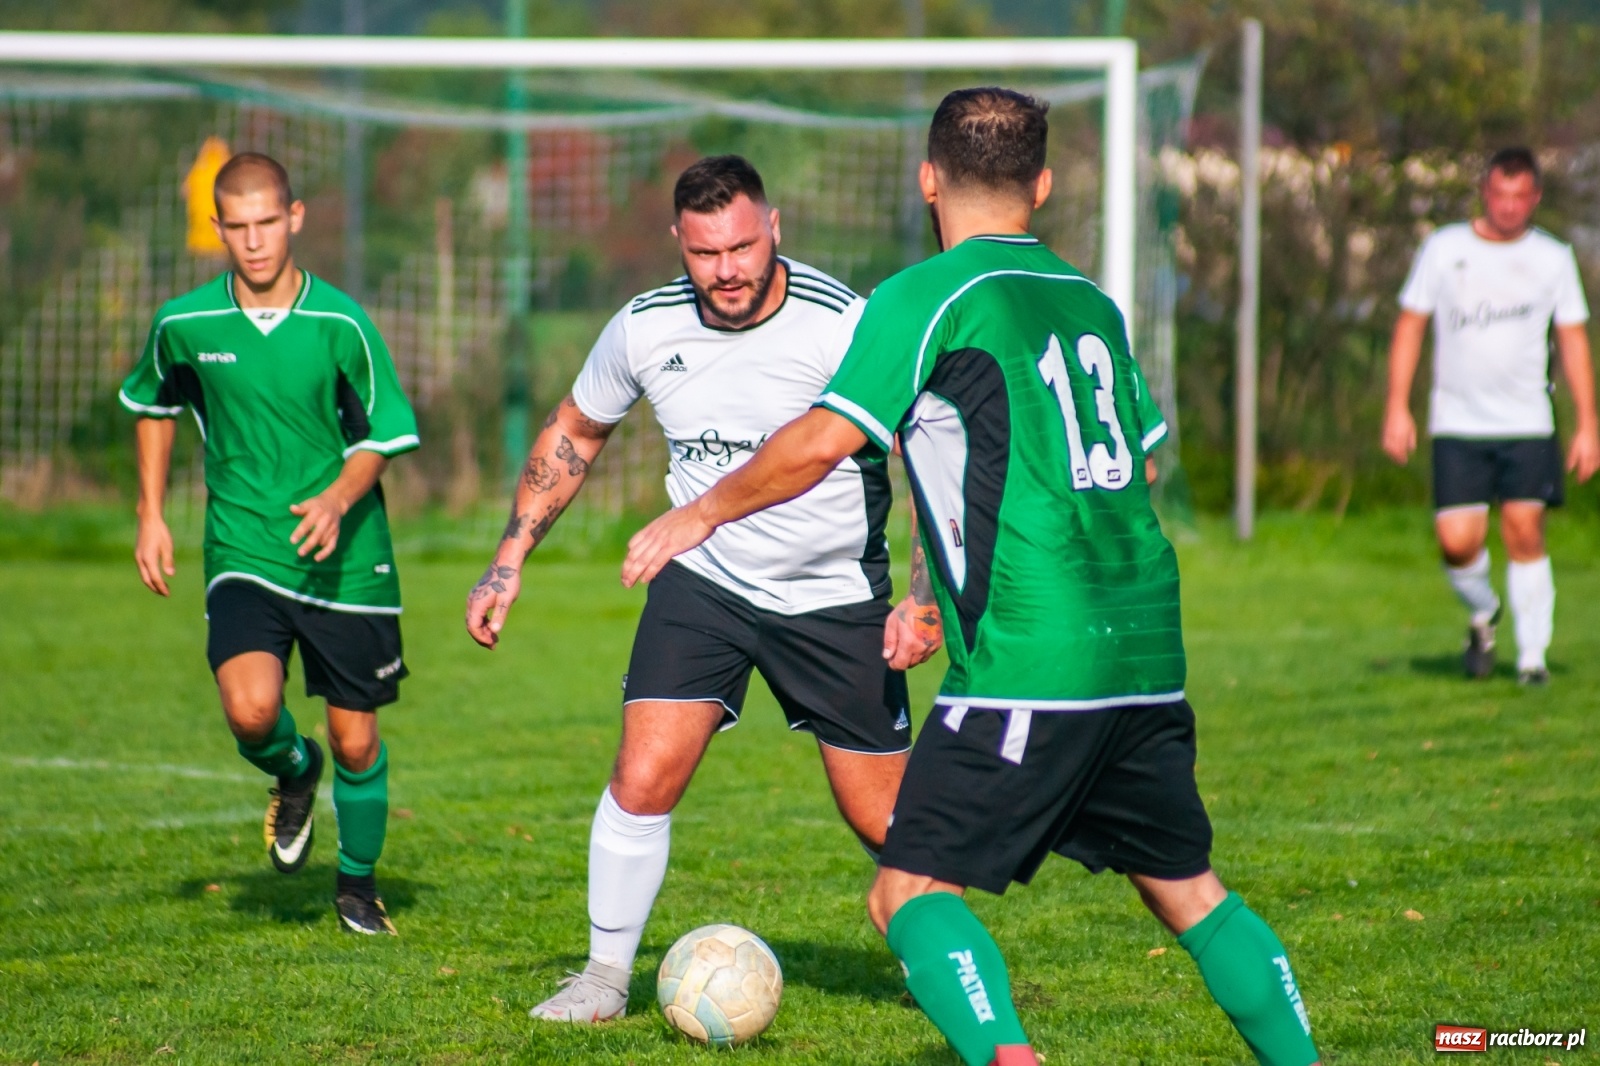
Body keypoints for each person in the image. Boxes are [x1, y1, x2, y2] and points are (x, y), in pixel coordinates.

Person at [622, 90, 1321, 1066]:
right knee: (1189, 891)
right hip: (1147, 649)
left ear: (926, 179)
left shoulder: (929, 294)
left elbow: (823, 442)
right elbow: (1135, 465)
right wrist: (927, 595)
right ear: (1041, 183)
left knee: (904, 893)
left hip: (1031, 657)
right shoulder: (1088, 299)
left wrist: (696, 511)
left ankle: (1008, 1056)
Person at [464, 155, 940, 1023]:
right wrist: (509, 559)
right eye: (705, 253)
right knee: (642, 775)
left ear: (776, 228)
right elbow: (575, 428)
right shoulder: (644, 328)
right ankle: (604, 980)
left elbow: (927, 456)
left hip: (833, 595)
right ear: (678, 244)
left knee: (888, 822)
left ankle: (942, 969)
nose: (728, 270)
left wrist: (923, 595)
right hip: (705, 584)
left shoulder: (845, 325)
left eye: (744, 246)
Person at [120, 152, 420, 935]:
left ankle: (356, 886)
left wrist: (336, 497)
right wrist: (150, 513)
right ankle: (293, 770)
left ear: (294, 219)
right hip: (244, 548)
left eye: (267, 224)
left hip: (348, 558)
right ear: (217, 227)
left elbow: (384, 433)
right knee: (252, 712)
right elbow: (153, 405)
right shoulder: (184, 322)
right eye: (237, 227)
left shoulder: (340, 323)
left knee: (357, 740)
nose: (253, 242)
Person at [1383, 146, 1599, 684]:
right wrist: (1396, 407)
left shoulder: (1553, 258)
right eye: (1499, 194)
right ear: (1486, 193)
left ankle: (1532, 658)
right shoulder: (1444, 248)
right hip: (1457, 422)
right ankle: (1484, 612)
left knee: (1525, 528)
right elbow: (1410, 325)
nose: (1508, 206)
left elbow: (1572, 341)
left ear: (1535, 197)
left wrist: (1588, 424)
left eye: (1519, 196)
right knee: (1457, 541)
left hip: (1528, 421)